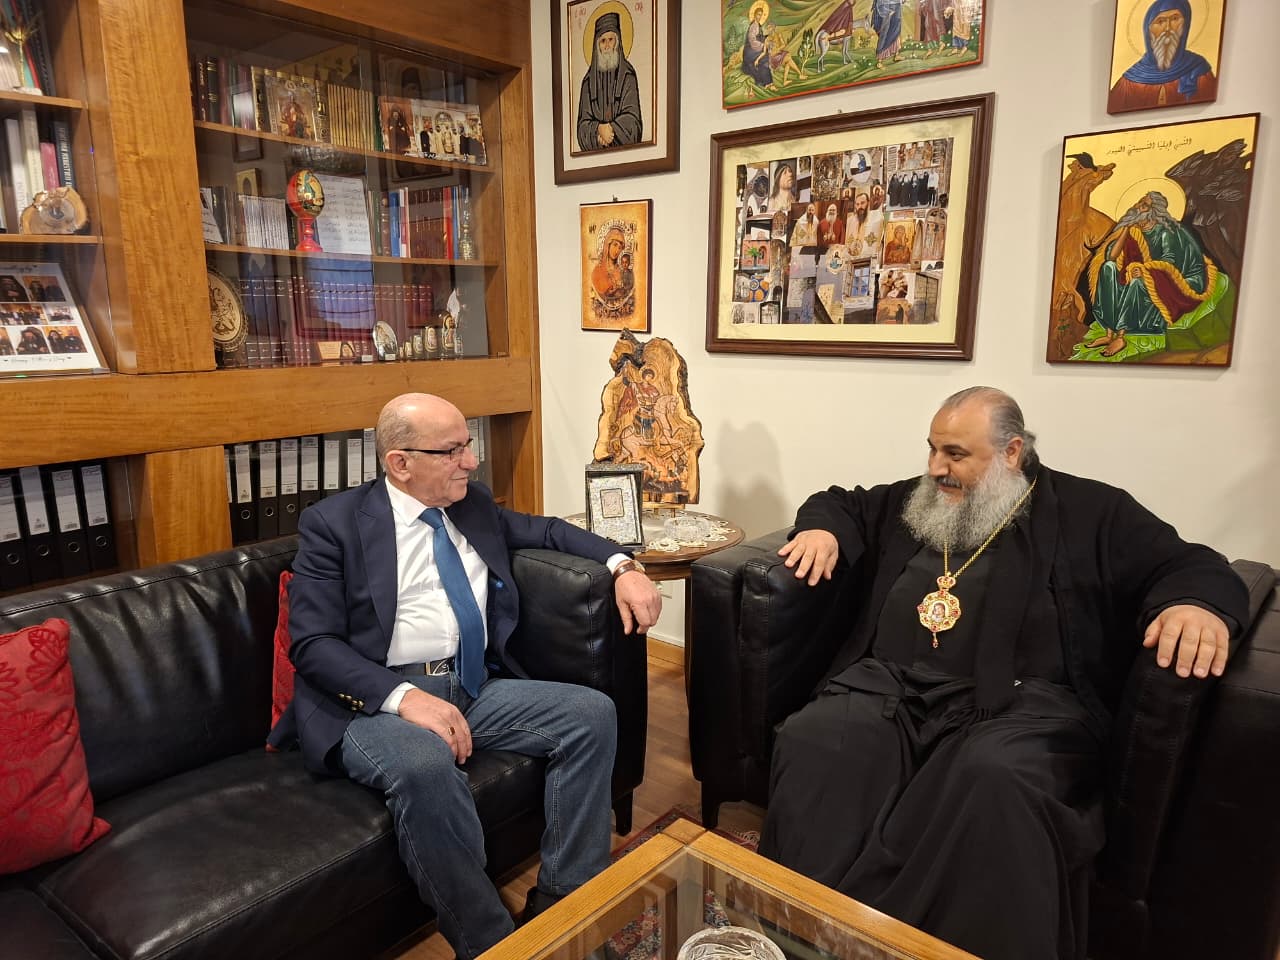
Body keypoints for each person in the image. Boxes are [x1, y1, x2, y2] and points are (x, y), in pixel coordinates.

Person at [759, 386, 1247, 960]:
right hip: (889, 689)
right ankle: (800, 931)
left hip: (1020, 707)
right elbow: (838, 502)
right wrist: (821, 530)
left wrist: (1194, 605)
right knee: (817, 739)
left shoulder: (1094, 511)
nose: (936, 468)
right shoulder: (914, 502)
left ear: (1012, 452)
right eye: (932, 449)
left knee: (996, 777)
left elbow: (1192, 564)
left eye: (955, 454)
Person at [267, 393, 661, 960]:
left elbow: (550, 532)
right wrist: (404, 698)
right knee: (426, 765)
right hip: (369, 700)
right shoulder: (334, 524)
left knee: (591, 713)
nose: (471, 462)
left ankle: (564, 902)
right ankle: (491, 945)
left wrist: (623, 565)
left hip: (470, 683)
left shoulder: (470, 504)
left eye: (468, 444)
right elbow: (313, 645)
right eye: (452, 451)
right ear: (400, 463)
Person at [1083, 190, 1213, 357]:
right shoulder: (1135, 230)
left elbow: (1171, 263)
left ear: (1155, 211)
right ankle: (1109, 334)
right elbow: (1111, 256)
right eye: (1139, 202)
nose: (1137, 207)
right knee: (1107, 267)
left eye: (1144, 205)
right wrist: (1126, 228)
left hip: (1175, 282)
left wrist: (1145, 271)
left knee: (1137, 282)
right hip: (1141, 276)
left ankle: (1121, 337)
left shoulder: (1167, 231)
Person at [1108, 0, 1217, 112]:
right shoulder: (1129, 81)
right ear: (1148, 30)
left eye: (1175, 19)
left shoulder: (1198, 71)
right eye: (1160, 21)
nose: (1168, 28)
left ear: (1185, 25)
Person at [576, 11, 642, 152]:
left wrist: (611, 129)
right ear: (597, 45)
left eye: (611, 39)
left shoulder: (627, 75)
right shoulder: (588, 82)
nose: (607, 46)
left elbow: (634, 122)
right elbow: (582, 128)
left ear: (617, 42)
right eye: (603, 41)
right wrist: (598, 130)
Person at [742, 0, 773, 89]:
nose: (760, 17)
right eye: (758, 14)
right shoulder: (753, 26)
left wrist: (766, 37)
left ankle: (766, 81)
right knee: (764, 57)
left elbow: (759, 37)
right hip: (750, 51)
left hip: (755, 48)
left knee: (765, 54)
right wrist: (763, 45)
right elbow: (752, 40)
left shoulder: (758, 25)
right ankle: (766, 82)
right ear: (755, 14)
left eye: (761, 15)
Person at [591, 227, 627, 300]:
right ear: (608, 245)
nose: (617, 250)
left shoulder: (621, 271)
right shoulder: (597, 271)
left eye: (620, 248)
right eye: (615, 245)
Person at [872, 0, 904, 67]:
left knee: (896, 31)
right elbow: (880, 4)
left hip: (896, 8)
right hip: (887, 9)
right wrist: (887, 11)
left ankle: (896, 54)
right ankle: (880, 61)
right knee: (885, 34)